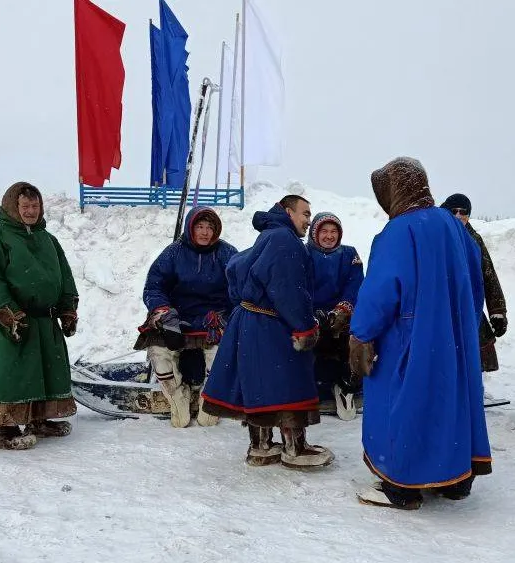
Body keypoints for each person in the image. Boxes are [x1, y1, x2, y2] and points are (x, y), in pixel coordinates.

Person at [349, 158, 491, 510]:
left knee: (404, 406)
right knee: (449, 401)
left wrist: (361, 334)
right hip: (454, 335)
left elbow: (381, 290)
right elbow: (475, 280)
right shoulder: (453, 225)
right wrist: (461, 323)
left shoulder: (397, 232)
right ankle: (454, 480)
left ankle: (401, 487)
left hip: (408, 336)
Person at [200, 195, 335, 469]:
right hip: (271, 323)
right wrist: (304, 326)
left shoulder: (270, 235)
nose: (309, 221)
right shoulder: (286, 241)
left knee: (258, 384)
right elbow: (288, 289)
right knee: (289, 381)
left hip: (250, 320)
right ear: (288, 211)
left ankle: (261, 447)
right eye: (304, 214)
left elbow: (237, 267)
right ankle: (294, 449)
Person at [0, 182, 79, 450]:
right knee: (9, 375)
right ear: (12, 207)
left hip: (44, 321)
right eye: (24, 206)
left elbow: (64, 276)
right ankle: (5, 428)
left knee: (43, 371)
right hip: (12, 321)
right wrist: (7, 310)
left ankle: (38, 419)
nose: (30, 211)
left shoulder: (49, 240)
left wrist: (68, 308)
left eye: (35, 206)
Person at [135, 206, 238, 428]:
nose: (205, 232)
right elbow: (154, 286)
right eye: (200, 226)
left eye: (210, 227)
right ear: (191, 227)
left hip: (213, 317)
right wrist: (163, 311)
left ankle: (209, 400)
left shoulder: (227, 253)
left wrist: (228, 314)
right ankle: (177, 396)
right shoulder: (173, 252)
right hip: (177, 317)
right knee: (158, 350)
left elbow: (239, 288)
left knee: (219, 350)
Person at [440, 194, 508, 374]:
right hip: (441, 308)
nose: (459, 215)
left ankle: (471, 390)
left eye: (464, 212)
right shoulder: (436, 236)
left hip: (470, 308)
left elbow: (488, 274)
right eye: (454, 211)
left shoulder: (474, 239)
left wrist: (497, 311)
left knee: (472, 355)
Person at [306, 212, 364, 419]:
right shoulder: (304, 254)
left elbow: (355, 283)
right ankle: (320, 393)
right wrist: (313, 312)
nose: (329, 236)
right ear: (315, 233)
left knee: (348, 344)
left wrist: (342, 309)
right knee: (315, 344)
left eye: (333, 232)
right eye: (324, 231)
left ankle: (349, 388)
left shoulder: (349, 254)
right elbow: (300, 285)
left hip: (342, 312)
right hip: (313, 312)